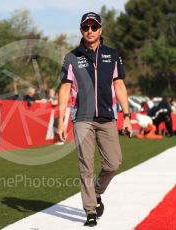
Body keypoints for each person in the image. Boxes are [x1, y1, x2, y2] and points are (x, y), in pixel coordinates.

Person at [57, 12, 132, 227]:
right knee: (86, 166)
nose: (90, 31)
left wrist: (127, 116)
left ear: (100, 30)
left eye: (94, 27)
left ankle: (97, 192)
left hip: (108, 117)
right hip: (82, 118)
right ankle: (90, 210)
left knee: (113, 163)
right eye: (86, 27)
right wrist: (60, 119)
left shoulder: (112, 54)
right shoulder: (72, 57)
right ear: (81, 30)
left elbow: (119, 86)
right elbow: (64, 88)